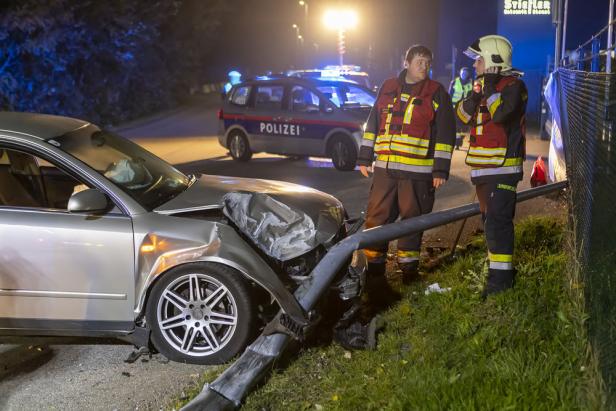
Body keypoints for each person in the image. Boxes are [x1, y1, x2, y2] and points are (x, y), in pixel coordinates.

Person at [357, 45, 456, 294]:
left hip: (418, 172)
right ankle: (375, 270)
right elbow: (374, 122)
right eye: (419, 61)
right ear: (407, 63)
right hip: (385, 170)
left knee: (413, 221)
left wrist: (440, 171)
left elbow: (445, 133)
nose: (424, 66)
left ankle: (409, 272)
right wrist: (364, 156)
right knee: (377, 218)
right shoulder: (388, 86)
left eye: (427, 62)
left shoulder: (437, 93)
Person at [455, 35, 527, 296]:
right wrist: (475, 97)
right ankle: (496, 273)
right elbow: (461, 118)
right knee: (490, 223)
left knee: (498, 223)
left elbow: (501, 114)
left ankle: (501, 283)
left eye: (479, 60)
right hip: (484, 170)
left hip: (503, 169)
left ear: (494, 61)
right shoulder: (482, 87)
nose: (475, 65)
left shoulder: (514, 87)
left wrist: (489, 89)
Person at [449, 67, 473, 149]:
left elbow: (471, 96)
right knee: (456, 126)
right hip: (454, 107)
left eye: (466, 73)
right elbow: (449, 95)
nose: (464, 75)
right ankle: (457, 143)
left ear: (468, 75)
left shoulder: (470, 84)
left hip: (464, 108)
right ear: (460, 73)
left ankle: (459, 141)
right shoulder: (454, 82)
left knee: (463, 126)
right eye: (463, 73)